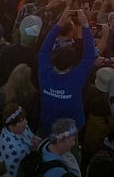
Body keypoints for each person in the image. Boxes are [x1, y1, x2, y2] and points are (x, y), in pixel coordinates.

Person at [38, 7, 95, 136]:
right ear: (72, 64)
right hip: (71, 130)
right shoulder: (77, 76)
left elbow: (44, 50)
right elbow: (90, 56)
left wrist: (59, 25)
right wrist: (85, 25)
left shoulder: (44, 72)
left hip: (48, 126)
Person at [0, 103, 42, 177]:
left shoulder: (20, 129)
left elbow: (31, 138)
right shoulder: (15, 149)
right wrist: (36, 149)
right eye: (21, 121)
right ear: (11, 126)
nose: (26, 122)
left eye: (24, 118)